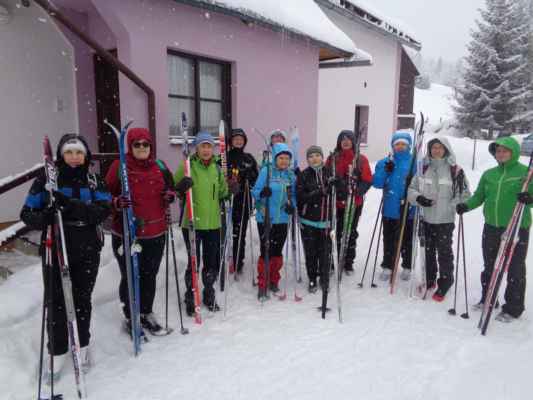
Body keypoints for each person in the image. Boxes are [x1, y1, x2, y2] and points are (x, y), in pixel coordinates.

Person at [21, 134, 111, 381]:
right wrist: (46, 216)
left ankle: (82, 345)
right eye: (69, 152)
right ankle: (57, 351)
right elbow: (26, 213)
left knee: (82, 299)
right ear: (61, 155)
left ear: (85, 156)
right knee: (56, 301)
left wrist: (71, 206)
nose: (74, 157)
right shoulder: (47, 181)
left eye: (78, 152)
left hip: (87, 248)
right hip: (56, 246)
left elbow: (102, 211)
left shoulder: (94, 180)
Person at [106, 127, 176, 336]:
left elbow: (170, 187)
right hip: (128, 233)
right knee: (130, 276)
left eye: (146, 144)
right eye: (137, 144)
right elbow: (103, 195)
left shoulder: (159, 166)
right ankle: (131, 315)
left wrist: (170, 195)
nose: (142, 148)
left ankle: (146, 312)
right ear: (130, 146)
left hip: (156, 232)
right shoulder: (119, 166)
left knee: (149, 275)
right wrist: (116, 202)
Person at [456, 137, 532, 322]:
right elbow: (479, 196)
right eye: (498, 151)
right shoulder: (489, 174)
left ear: (513, 152)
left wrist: (529, 198)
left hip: (517, 227)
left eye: (505, 150)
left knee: (514, 268)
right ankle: (488, 298)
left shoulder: (526, 173)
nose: (501, 154)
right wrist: (466, 205)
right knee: (490, 265)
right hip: (491, 227)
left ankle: (513, 308)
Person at [407, 136, 471, 301]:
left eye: (440, 147)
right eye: (433, 147)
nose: (436, 150)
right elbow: (412, 189)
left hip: (445, 220)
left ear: (446, 149)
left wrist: (452, 206)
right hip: (425, 218)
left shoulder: (455, 170)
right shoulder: (423, 168)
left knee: (444, 252)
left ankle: (445, 282)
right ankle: (429, 279)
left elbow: (464, 194)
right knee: (427, 251)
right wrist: (419, 198)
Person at [174, 132, 230, 315]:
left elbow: (223, 192)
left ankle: (208, 293)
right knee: (194, 262)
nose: (206, 150)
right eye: (202, 146)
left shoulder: (216, 168)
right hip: (192, 223)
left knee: (211, 262)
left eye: (209, 146)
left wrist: (231, 189)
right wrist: (181, 186)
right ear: (196, 149)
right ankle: (191, 296)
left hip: (213, 224)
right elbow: (174, 187)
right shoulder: (188, 165)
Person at [252, 142, 296, 300]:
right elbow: (255, 191)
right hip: (266, 218)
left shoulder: (290, 175)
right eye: (281, 158)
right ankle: (262, 283)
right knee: (266, 251)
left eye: (287, 158)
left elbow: (293, 196)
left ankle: (273, 280)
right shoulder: (267, 171)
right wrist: (262, 193)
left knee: (277, 251)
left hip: (282, 219)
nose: (284, 161)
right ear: (275, 158)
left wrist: (292, 206)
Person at [326, 130, 372, 275]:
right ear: (339, 142)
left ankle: (348, 262)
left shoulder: (361, 159)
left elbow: (367, 180)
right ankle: (333, 260)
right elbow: (327, 176)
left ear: (353, 142)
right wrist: (334, 184)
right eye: (343, 139)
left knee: (350, 232)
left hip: (354, 203)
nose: (345, 142)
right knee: (335, 232)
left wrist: (358, 190)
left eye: (348, 139)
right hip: (336, 203)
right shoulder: (333, 158)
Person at [373, 131, 416, 282]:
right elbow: (377, 183)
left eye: (403, 144)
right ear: (393, 145)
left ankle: (407, 266)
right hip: (390, 208)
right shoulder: (385, 162)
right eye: (397, 144)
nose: (400, 146)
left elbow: (421, 184)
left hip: (409, 208)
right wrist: (385, 171)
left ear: (409, 146)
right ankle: (388, 265)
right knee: (389, 239)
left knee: (407, 239)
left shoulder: (415, 162)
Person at [296, 145, 336, 293]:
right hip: (308, 222)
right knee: (311, 253)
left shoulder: (330, 173)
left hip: (326, 222)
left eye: (317, 155)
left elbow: (342, 193)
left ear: (322, 157)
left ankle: (324, 279)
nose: (314, 159)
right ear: (307, 159)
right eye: (311, 156)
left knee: (325, 253)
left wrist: (338, 185)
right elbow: (301, 198)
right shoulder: (303, 175)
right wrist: (320, 192)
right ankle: (312, 278)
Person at [227, 128, 259, 276]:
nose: (238, 141)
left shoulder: (249, 158)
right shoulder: (224, 157)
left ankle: (238, 261)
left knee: (239, 233)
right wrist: (230, 180)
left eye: (241, 139)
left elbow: (256, 179)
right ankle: (224, 259)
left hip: (243, 201)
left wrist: (248, 177)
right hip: (227, 201)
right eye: (236, 139)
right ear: (231, 141)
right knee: (226, 233)